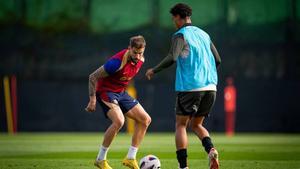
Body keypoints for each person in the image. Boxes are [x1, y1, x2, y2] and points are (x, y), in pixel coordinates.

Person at [145, 3, 221, 169]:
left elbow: (173, 57)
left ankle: (183, 166)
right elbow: (218, 60)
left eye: (174, 19)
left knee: (181, 125)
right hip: (210, 87)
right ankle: (211, 149)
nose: (174, 22)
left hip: (189, 87)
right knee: (197, 125)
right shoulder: (204, 34)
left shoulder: (180, 35)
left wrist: (153, 70)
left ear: (179, 17)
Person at [86, 35, 151, 169]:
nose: (138, 56)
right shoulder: (116, 63)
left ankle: (130, 158)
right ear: (129, 48)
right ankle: (100, 159)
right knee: (119, 121)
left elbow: (126, 76)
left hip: (120, 92)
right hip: (106, 92)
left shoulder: (141, 60)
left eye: (141, 53)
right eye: (135, 52)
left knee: (145, 120)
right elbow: (92, 77)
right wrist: (92, 99)